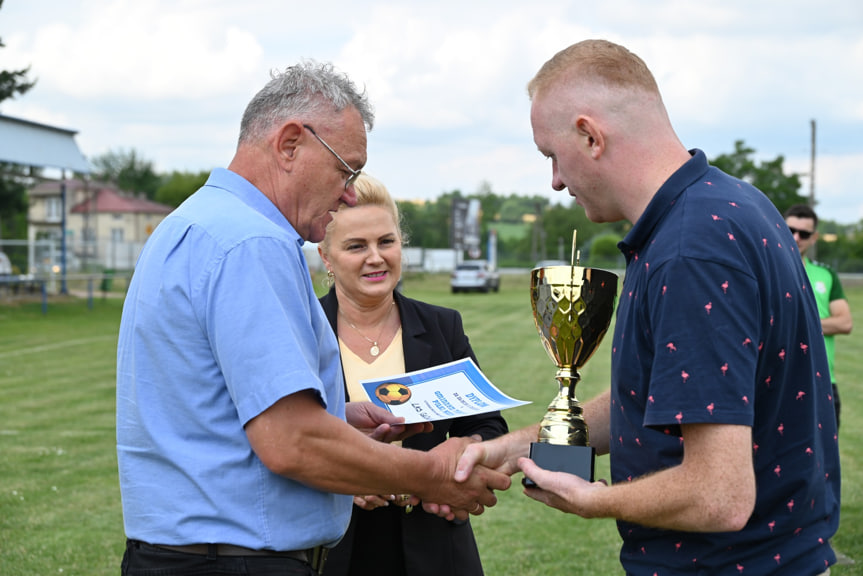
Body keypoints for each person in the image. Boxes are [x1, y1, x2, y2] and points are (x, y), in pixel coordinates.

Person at [451, 39, 840, 575]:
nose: (556, 180)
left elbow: (719, 495)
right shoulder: (728, 204)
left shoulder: (691, 249)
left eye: (551, 155)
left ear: (590, 136)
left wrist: (594, 499)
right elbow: (659, 402)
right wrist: (517, 445)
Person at [115, 61, 510, 576]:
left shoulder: (190, 224)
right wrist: (430, 473)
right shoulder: (253, 242)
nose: (349, 192)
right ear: (290, 144)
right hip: (239, 563)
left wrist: (337, 421)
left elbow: (220, 415)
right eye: (346, 170)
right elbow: (291, 442)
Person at [316, 173, 509, 576]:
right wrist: (340, 479)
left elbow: (489, 424)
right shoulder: (301, 328)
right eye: (356, 246)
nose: (376, 257)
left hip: (435, 545)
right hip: (334, 548)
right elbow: (277, 439)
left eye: (386, 241)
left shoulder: (442, 327)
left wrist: (456, 456)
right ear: (326, 256)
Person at [784, 204, 853, 429]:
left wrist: (795, 323)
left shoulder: (826, 274)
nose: (796, 237)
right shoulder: (767, 269)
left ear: (814, 238)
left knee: (825, 462)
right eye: (790, 230)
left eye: (803, 234)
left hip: (822, 382)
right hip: (779, 380)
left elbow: (844, 322)